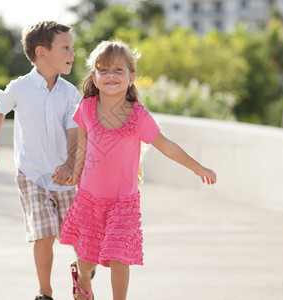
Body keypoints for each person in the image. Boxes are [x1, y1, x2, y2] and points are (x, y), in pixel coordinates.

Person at [59, 40, 217, 300]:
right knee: (88, 260)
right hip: (90, 199)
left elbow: (167, 146)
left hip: (123, 203)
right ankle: (83, 276)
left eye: (118, 70)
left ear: (131, 77)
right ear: (95, 78)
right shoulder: (86, 108)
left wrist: (197, 167)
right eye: (103, 70)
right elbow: (83, 146)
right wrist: (74, 174)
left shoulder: (139, 117)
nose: (111, 75)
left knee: (119, 258)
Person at [0, 21, 80, 300]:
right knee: (44, 233)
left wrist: (71, 164)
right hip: (30, 173)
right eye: (65, 47)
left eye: (72, 48)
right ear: (42, 52)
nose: (72, 53)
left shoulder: (69, 93)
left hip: (65, 175)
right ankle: (45, 292)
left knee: (77, 234)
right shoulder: (20, 87)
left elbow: (74, 131)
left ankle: (84, 271)